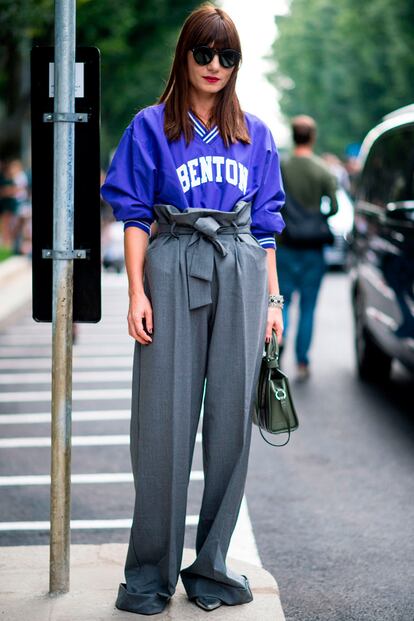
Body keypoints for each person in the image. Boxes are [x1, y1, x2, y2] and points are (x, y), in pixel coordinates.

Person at [101, 4, 285, 615]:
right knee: (161, 428)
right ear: (184, 55)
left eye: (227, 55)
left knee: (230, 428)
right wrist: (136, 291)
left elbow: (264, 227)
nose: (214, 66)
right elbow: (132, 216)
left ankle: (210, 569)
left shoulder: (254, 133)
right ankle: (149, 573)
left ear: (238, 63)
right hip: (173, 260)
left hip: (238, 270)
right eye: (204, 53)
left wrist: (273, 300)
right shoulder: (151, 126)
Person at [278, 115, 338, 380]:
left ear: (293, 136)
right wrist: (316, 219)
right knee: (309, 307)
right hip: (313, 249)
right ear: (312, 137)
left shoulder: (282, 166)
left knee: (283, 303)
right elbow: (334, 207)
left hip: (285, 245)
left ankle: (278, 353)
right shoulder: (322, 169)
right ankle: (302, 363)